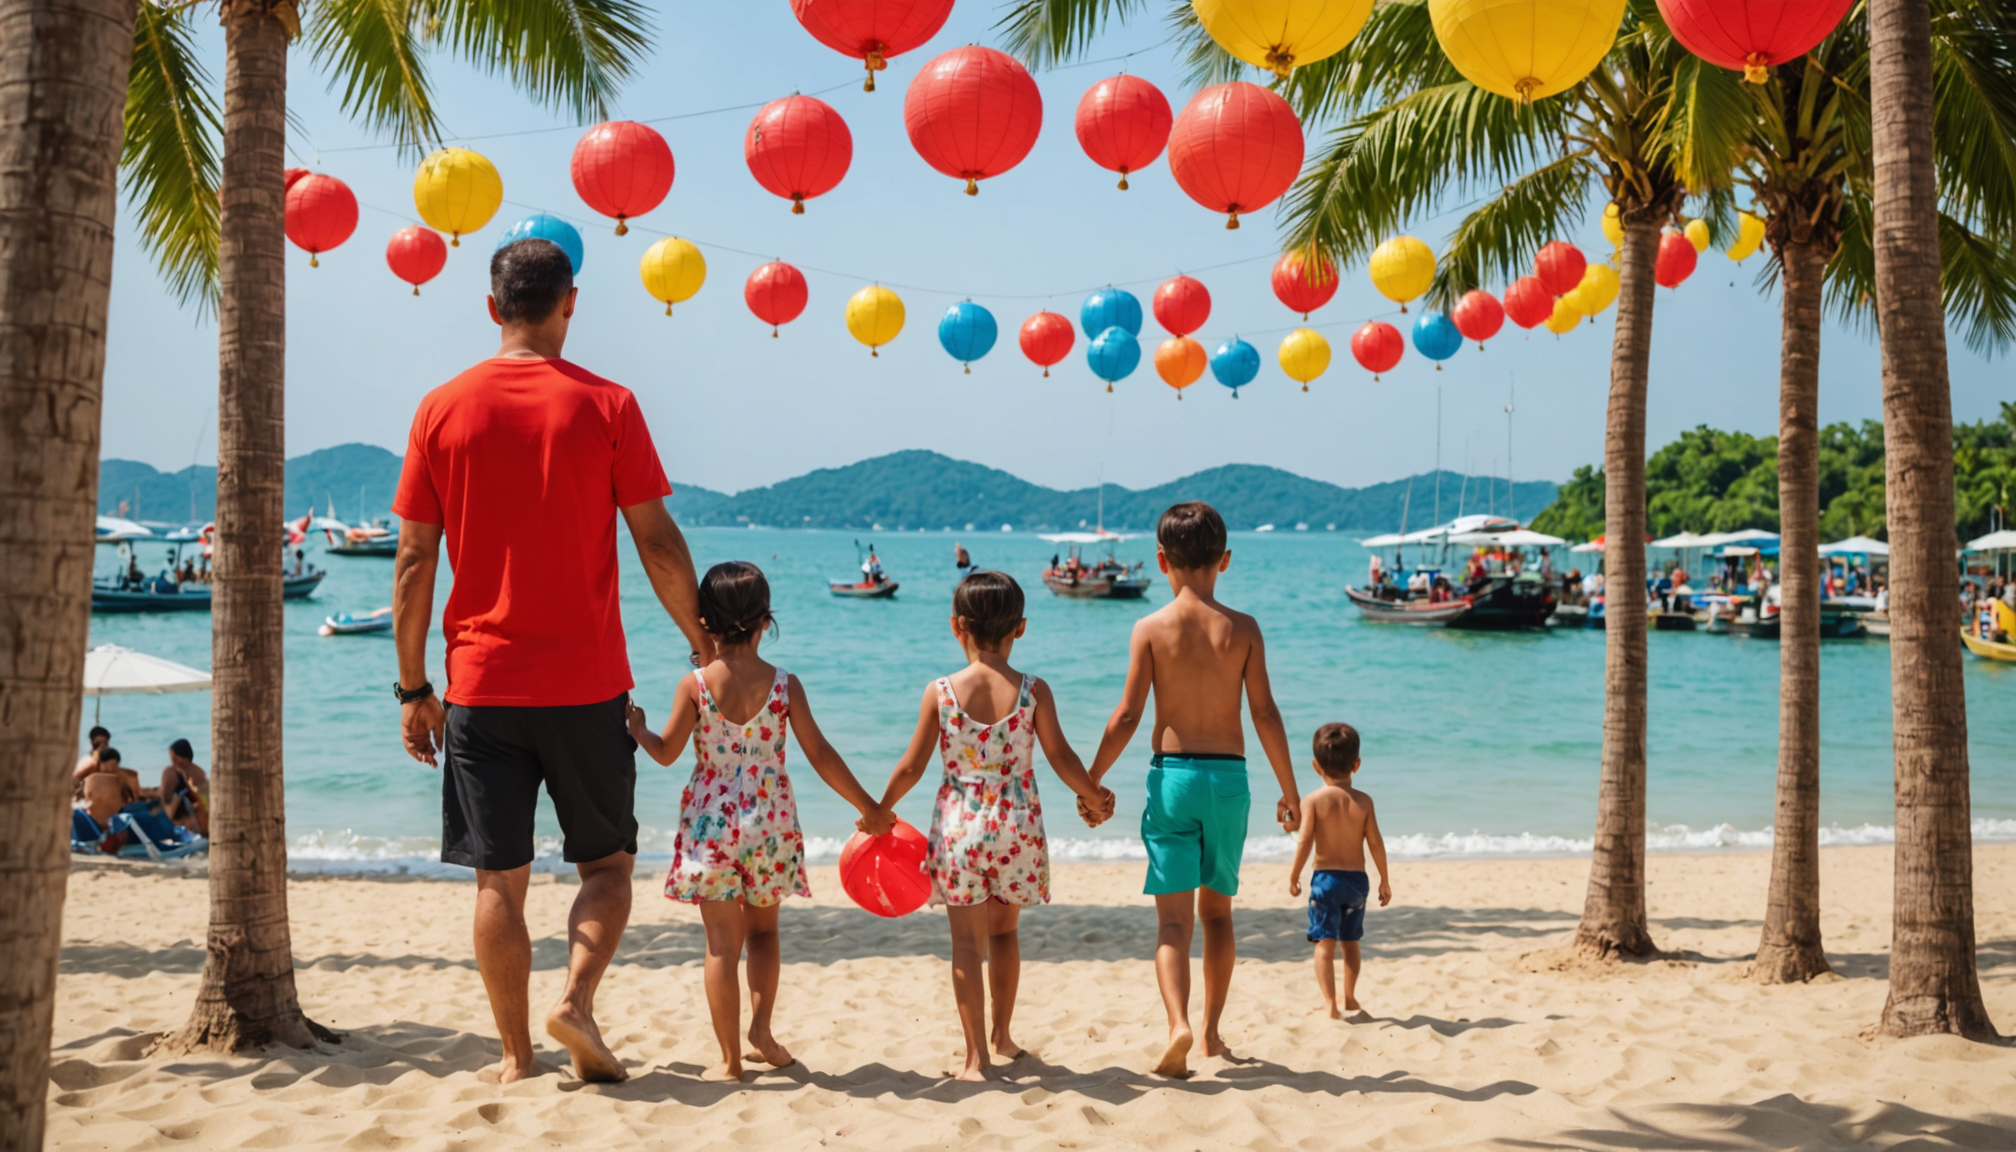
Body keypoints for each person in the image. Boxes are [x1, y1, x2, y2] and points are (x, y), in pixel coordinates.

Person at [391, 238, 714, 1085]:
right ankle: (574, 998)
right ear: (571, 303)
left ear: (493, 308)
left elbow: (415, 562)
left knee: (499, 880)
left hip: (480, 688)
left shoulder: (440, 409)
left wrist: (414, 687)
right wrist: (703, 644)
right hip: (585, 687)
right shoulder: (608, 405)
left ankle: (513, 1057)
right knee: (606, 866)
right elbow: (656, 540)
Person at [628, 561, 890, 1082]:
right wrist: (869, 807)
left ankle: (728, 1061)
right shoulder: (784, 685)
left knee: (721, 945)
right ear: (765, 621)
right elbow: (820, 753)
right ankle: (762, 1031)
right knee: (764, 935)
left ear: (705, 622)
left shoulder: (695, 684)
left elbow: (664, 752)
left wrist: (637, 728)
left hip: (712, 825)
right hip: (770, 823)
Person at [1085, 501, 1301, 1079]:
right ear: (1224, 561)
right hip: (1229, 782)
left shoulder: (1150, 628)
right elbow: (1266, 715)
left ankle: (1177, 1022)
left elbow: (1128, 716)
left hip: (1173, 778)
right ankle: (1210, 1033)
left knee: (1173, 925)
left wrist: (1092, 778)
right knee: (1219, 917)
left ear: (1160, 561)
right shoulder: (1245, 629)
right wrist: (1291, 790)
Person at [875, 571, 1116, 1082]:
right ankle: (1002, 1035)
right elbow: (1061, 756)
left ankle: (974, 1059)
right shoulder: (1033, 691)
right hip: (1017, 825)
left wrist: (880, 809)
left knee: (966, 945)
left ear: (956, 626)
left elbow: (912, 766)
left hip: (959, 827)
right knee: (1005, 936)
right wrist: (1093, 795)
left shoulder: (939, 692)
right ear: (1021, 628)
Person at [1288, 724, 1391, 1019]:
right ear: (1356, 765)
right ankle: (1350, 997)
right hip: (1357, 882)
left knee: (1324, 944)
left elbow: (1305, 839)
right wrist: (1385, 878)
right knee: (1351, 943)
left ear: (1315, 766)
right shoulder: (1364, 801)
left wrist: (1294, 874)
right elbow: (1376, 843)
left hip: (1326, 881)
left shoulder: (1313, 801)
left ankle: (1330, 1004)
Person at [160, 738, 209, 835]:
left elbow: (165, 798)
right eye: (172, 759)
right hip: (202, 811)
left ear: (184, 757)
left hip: (195, 815)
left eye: (175, 758)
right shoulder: (199, 771)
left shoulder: (179, 772)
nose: (173, 762)